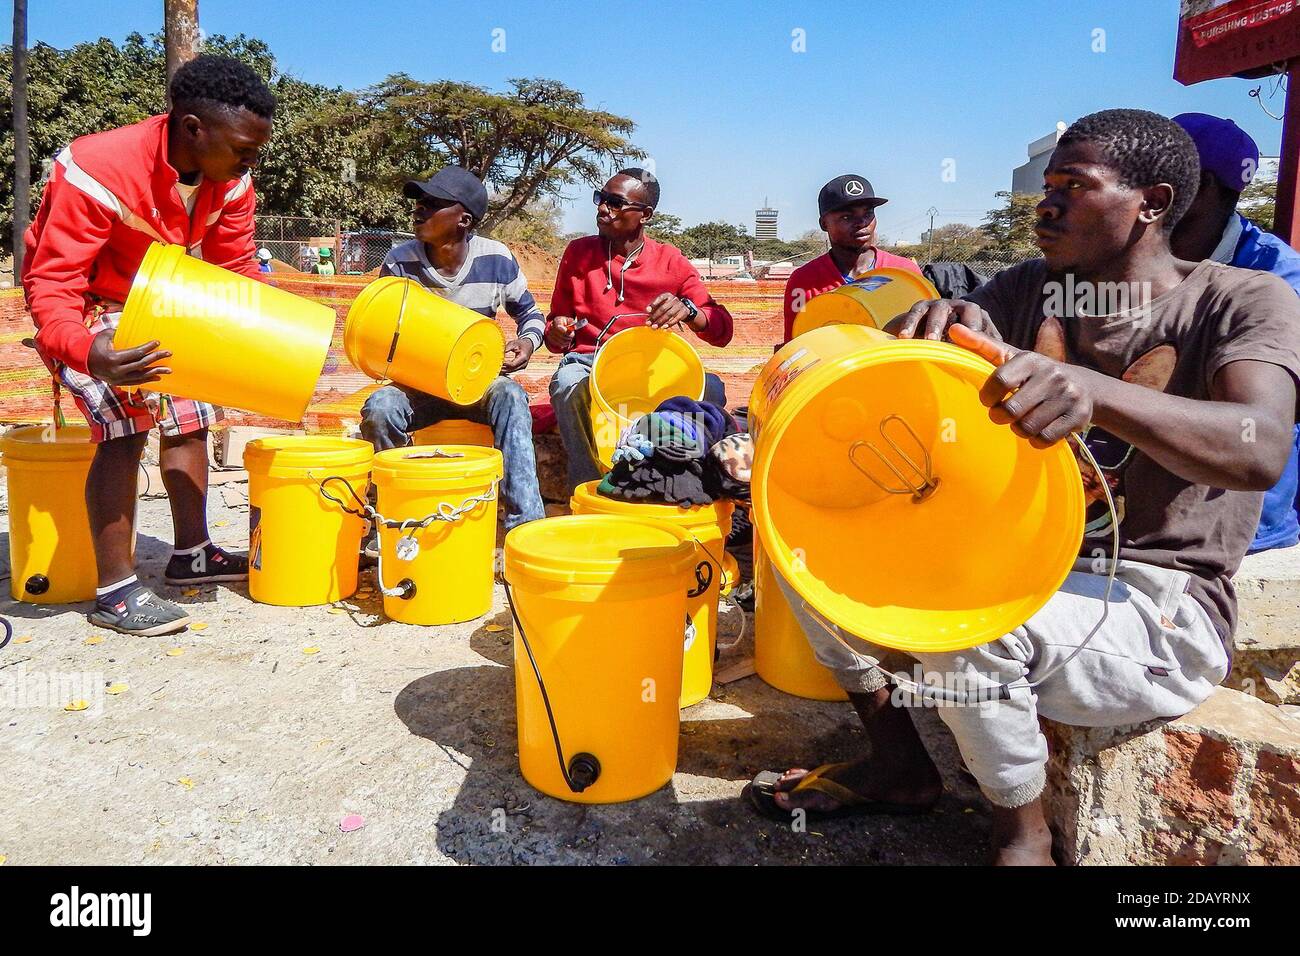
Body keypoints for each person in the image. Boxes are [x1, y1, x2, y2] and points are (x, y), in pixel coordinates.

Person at [748, 109, 1300, 865]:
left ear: (1155, 202)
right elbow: (912, 395)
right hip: (1019, 566)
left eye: (1075, 187)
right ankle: (901, 767)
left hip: (1156, 608)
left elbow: (1259, 447)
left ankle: (1023, 837)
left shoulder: (1241, 300)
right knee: (807, 556)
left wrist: (1091, 391)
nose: (1046, 205)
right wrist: (930, 328)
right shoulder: (1028, 288)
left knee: (968, 625)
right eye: (1046, 187)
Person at [21, 55, 275, 636]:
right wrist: (89, 352)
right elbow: (53, 283)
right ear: (192, 129)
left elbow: (233, 268)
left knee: (192, 411)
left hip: (159, 295)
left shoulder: (230, 179)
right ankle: (115, 591)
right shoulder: (96, 168)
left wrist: (271, 326)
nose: (249, 161)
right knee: (125, 419)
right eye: (242, 147)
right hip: (86, 304)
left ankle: (193, 554)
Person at [360, 166, 546, 531]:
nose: (418, 210)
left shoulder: (497, 258)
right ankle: (400, 513)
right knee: (381, 407)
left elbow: (531, 314)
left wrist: (525, 343)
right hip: (419, 388)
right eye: (418, 202)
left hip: (476, 386)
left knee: (509, 395)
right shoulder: (399, 262)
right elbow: (382, 333)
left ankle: (525, 528)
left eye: (431, 203)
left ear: (463, 219)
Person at [546, 168, 734, 492]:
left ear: (645, 215)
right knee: (567, 383)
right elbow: (555, 330)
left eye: (616, 203)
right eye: (601, 199)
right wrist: (558, 331)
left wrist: (689, 311)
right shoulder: (578, 254)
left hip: (651, 369)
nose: (603, 209)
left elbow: (722, 328)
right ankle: (589, 486)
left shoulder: (670, 261)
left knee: (712, 389)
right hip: (591, 364)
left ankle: (681, 480)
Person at [1171, 112, 1300, 553]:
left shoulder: (1277, 276)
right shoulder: (1133, 260)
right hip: (1151, 510)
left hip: (1243, 523)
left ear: (1202, 185)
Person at [781, 174, 922, 344]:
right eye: (847, 217)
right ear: (824, 224)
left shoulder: (904, 272)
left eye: (868, 213)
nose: (862, 223)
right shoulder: (804, 281)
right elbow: (795, 346)